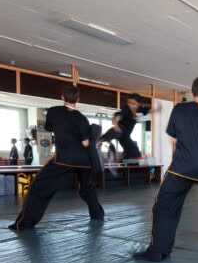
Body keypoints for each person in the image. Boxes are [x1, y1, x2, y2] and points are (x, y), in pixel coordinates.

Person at [133, 77, 198, 262]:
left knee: (165, 205)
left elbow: (173, 139)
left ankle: (158, 250)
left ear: (192, 93)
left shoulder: (180, 109)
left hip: (182, 168)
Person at [9, 85, 104, 230]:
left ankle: (24, 223)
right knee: (87, 189)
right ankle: (97, 214)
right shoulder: (82, 118)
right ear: (78, 99)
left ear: (62, 97)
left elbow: (49, 127)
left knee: (39, 187)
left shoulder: (53, 111)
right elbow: (85, 143)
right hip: (85, 161)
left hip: (64, 158)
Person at [99, 94, 151, 161]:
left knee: (135, 152)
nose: (130, 105)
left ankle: (129, 163)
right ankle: (99, 141)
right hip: (120, 130)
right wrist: (115, 123)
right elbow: (118, 117)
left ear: (139, 104)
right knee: (116, 132)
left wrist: (158, 108)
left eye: (133, 103)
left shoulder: (141, 110)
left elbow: (150, 110)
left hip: (126, 137)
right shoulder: (126, 109)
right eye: (129, 103)